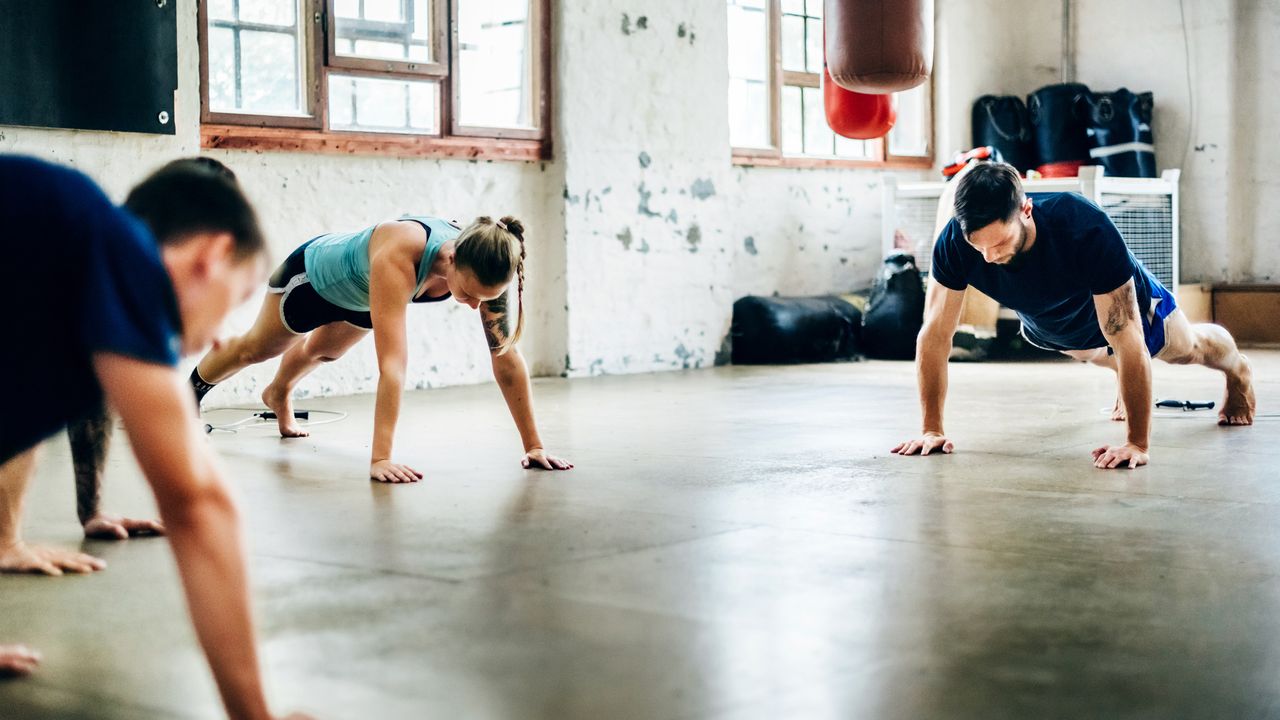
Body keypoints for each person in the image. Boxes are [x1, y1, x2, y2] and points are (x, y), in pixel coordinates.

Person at [0, 155, 308, 719]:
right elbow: (199, 504)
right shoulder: (116, 249)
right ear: (211, 256)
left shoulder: (67, 283)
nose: (218, 339)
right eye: (234, 302)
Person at [892, 162, 1255, 469]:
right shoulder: (955, 242)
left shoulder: (1084, 227)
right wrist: (931, 430)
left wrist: (1136, 444)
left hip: (1130, 309)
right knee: (1094, 352)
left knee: (1185, 348)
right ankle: (1124, 381)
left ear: (1026, 211)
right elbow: (935, 335)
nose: (988, 257)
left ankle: (1238, 370)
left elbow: (1128, 336)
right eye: (978, 246)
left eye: (1000, 243)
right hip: (1054, 326)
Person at [189, 214, 572, 483]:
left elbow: (505, 358)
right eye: (469, 295)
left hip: (360, 296)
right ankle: (188, 394)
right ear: (452, 257)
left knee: (323, 351)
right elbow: (393, 366)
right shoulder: (400, 257)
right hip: (312, 280)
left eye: (483, 298)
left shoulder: (487, 257)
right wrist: (381, 458)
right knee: (256, 349)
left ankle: (278, 393)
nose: (475, 305)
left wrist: (534, 446)